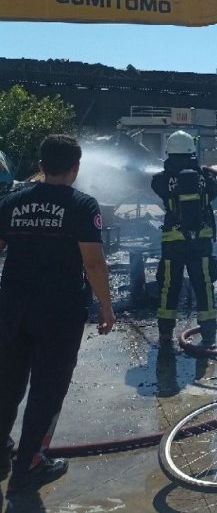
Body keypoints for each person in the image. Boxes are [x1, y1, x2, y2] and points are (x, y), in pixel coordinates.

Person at [0, 134, 115, 495]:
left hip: (12, 309)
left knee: (6, 383)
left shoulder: (12, 201)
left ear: (40, 166)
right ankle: (31, 462)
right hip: (59, 313)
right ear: (76, 168)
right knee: (47, 389)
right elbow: (93, 262)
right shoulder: (82, 204)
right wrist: (106, 307)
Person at [152, 130, 217, 348]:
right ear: (192, 150)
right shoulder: (204, 176)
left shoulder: (163, 179)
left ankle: (165, 334)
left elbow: (157, 187)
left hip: (173, 241)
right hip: (201, 241)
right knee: (204, 286)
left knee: (169, 285)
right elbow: (214, 193)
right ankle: (208, 336)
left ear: (169, 151)